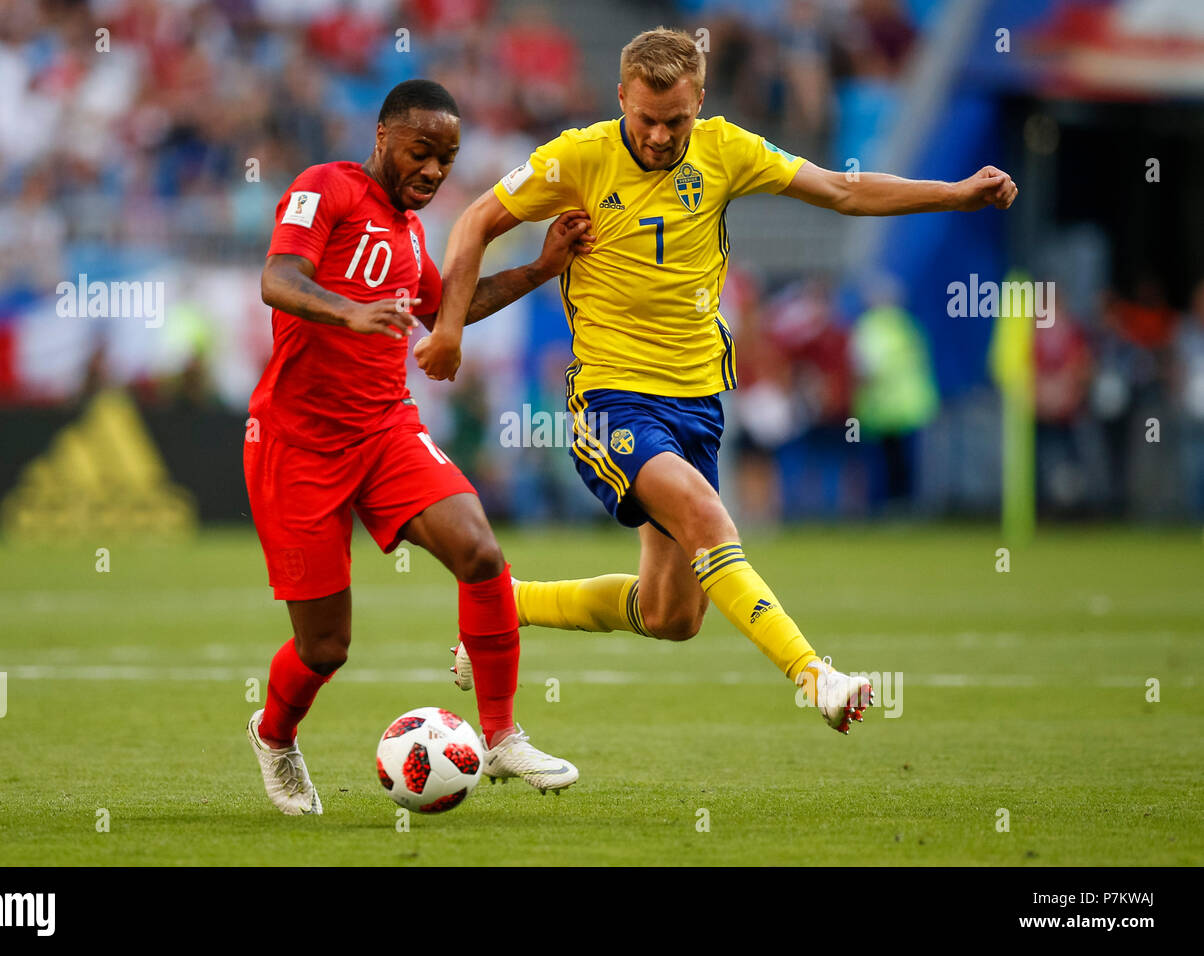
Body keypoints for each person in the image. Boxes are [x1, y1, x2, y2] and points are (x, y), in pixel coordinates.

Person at [419, 28, 1017, 734]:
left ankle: (506, 603)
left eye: (677, 120)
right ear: (621, 98)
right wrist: (451, 325)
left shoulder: (727, 149)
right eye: (646, 119)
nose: (661, 136)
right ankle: (815, 676)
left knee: (670, 615)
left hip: (698, 403)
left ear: (700, 102)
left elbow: (842, 191)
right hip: (612, 400)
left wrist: (952, 193)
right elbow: (474, 222)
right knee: (709, 522)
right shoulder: (578, 157)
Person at [244, 79, 590, 814]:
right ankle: (275, 735)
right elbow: (277, 279)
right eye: (421, 151)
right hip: (297, 445)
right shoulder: (326, 189)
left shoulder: (408, 233)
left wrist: (540, 268)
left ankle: (498, 737)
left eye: (447, 157)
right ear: (383, 138)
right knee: (324, 648)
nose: (434, 169)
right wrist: (351, 314)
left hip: (385, 430)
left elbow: (447, 307)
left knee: (482, 554)